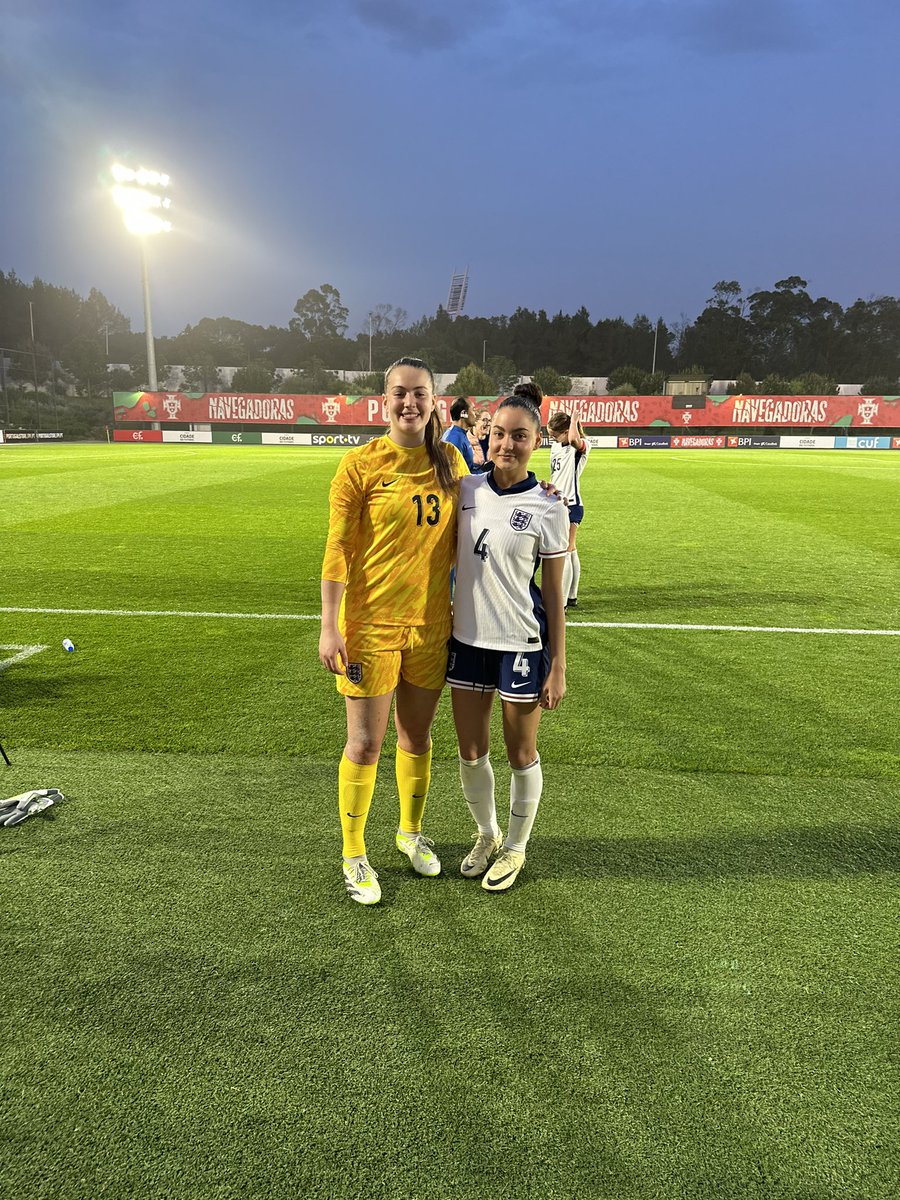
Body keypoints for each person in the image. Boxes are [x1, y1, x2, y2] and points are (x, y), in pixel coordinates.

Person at [319, 357, 468, 906]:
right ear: (384, 401)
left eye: (420, 394)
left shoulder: (450, 459)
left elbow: (485, 510)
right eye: (400, 394)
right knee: (365, 744)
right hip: (370, 626)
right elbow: (337, 548)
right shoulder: (359, 466)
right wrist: (329, 627)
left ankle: (409, 834)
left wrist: (539, 494)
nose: (410, 403)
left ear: (434, 401)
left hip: (432, 627)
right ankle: (354, 855)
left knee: (418, 737)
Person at [446, 394, 569, 892]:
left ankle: (516, 846)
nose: (507, 443)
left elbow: (555, 595)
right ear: (485, 435)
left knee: (521, 752)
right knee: (471, 751)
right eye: (499, 432)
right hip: (467, 641)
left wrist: (558, 664)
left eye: (519, 435)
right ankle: (487, 834)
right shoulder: (465, 489)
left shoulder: (548, 505)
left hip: (521, 642)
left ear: (536, 442)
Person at [547, 408, 589, 608]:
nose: (553, 439)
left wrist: (574, 420)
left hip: (572, 504)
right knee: (571, 550)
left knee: (566, 549)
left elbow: (574, 440)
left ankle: (562, 601)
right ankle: (571, 597)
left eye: (555, 435)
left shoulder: (579, 446)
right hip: (558, 503)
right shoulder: (556, 447)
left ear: (566, 431)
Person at [441, 396, 477, 472]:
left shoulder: (460, 434)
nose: (475, 414)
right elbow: (455, 475)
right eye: (473, 410)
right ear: (463, 413)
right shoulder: (455, 439)